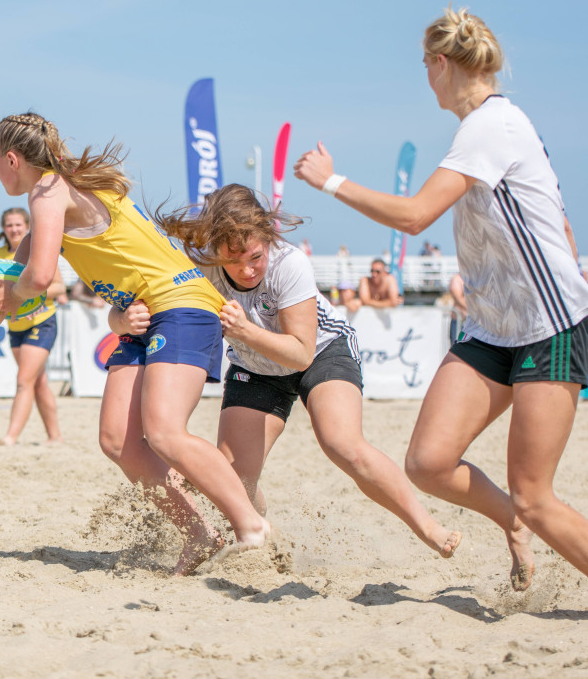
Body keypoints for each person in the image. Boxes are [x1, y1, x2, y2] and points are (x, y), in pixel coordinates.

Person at [294, 6, 588, 590]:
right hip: (490, 327)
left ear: (440, 63)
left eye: (424, 65)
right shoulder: (483, 128)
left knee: (535, 495)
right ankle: (518, 523)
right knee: (428, 463)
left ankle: (527, 517)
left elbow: (416, 215)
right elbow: (559, 222)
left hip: (548, 328)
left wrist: (330, 180)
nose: (424, 77)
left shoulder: (491, 125)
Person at [0, 112, 269, 574]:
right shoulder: (64, 189)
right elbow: (32, 252)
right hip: (146, 316)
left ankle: (251, 526)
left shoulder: (48, 190)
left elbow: (38, 275)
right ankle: (198, 534)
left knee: (164, 432)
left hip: (182, 304)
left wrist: (14, 295)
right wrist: (4, 287)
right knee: (119, 442)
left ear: (12, 159)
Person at [156, 184, 462, 558]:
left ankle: (427, 526)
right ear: (214, 249)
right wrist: (122, 317)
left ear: (267, 235)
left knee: (342, 444)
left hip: (319, 352)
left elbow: (300, 353)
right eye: (234, 261)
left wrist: (244, 331)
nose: (247, 269)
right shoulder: (200, 267)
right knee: (236, 479)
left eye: (255, 256)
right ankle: (259, 539)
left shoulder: (289, 263)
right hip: (255, 366)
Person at [0, 206, 66, 445]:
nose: (14, 229)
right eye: (9, 225)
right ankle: (55, 436)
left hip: (43, 322)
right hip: (15, 327)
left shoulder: (40, 250)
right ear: (4, 229)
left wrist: (27, 295)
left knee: (24, 379)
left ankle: (10, 437)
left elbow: (59, 288)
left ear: (27, 227)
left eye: (18, 225)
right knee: (38, 380)